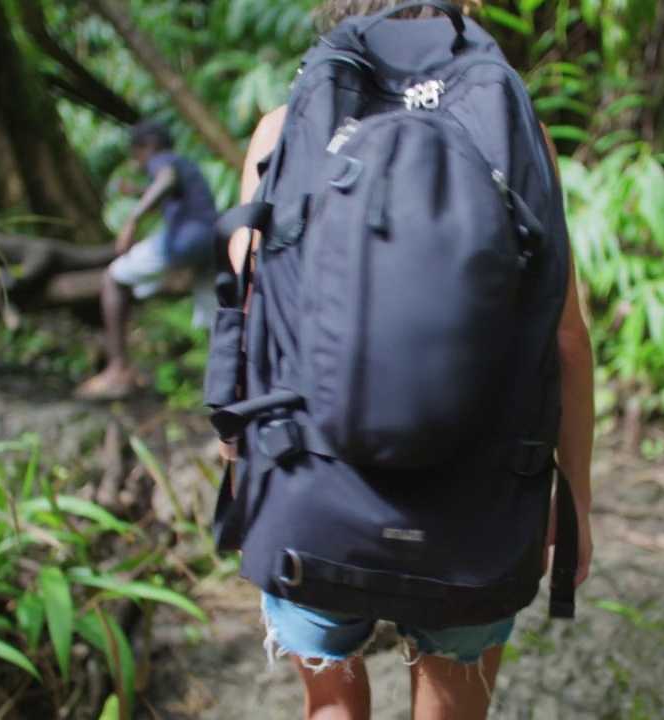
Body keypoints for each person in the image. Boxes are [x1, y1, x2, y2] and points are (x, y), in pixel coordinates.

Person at [226, 2, 596, 718]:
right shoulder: (519, 133)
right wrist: (572, 497)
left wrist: (242, 472)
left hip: (312, 493)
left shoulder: (283, 129)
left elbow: (247, 324)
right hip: (477, 507)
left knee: (331, 704)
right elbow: (567, 341)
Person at [75, 118, 220, 401]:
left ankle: (118, 370)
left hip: (183, 241)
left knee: (113, 278)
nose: (137, 161)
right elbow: (177, 194)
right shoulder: (184, 163)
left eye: (136, 153)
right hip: (212, 242)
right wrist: (139, 192)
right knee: (213, 314)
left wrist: (133, 218)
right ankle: (224, 384)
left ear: (148, 147)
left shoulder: (161, 160)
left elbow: (167, 181)